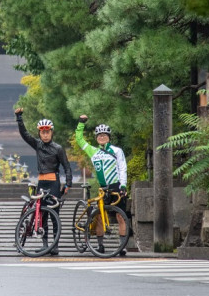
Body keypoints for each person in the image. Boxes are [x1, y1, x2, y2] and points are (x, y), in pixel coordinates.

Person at [15, 108, 72, 253]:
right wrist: (19, 118)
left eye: (47, 132)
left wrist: (68, 183)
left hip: (54, 183)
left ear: (51, 132)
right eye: (42, 132)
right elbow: (25, 135)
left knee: (55, 215)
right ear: (40, 133)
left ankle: (56, 246)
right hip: (42, 183)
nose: (45, 135)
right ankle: (45, 244)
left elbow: (67, 167)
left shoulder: (58, 148)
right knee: (42, 215)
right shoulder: (38, 145)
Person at [75, 115, 131, 254]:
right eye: (99, 135)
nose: (101, 137)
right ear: (96, 138)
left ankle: (122, 246)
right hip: (102, 189)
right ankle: (100, 246)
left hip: (116, 186)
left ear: (109, 137)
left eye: (104, 135)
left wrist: (123, 186)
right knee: (99, 216)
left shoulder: (117, 151)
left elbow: (123, 168)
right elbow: (79, 140)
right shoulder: (93, 151)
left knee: (120, 216)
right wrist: (81, 123)